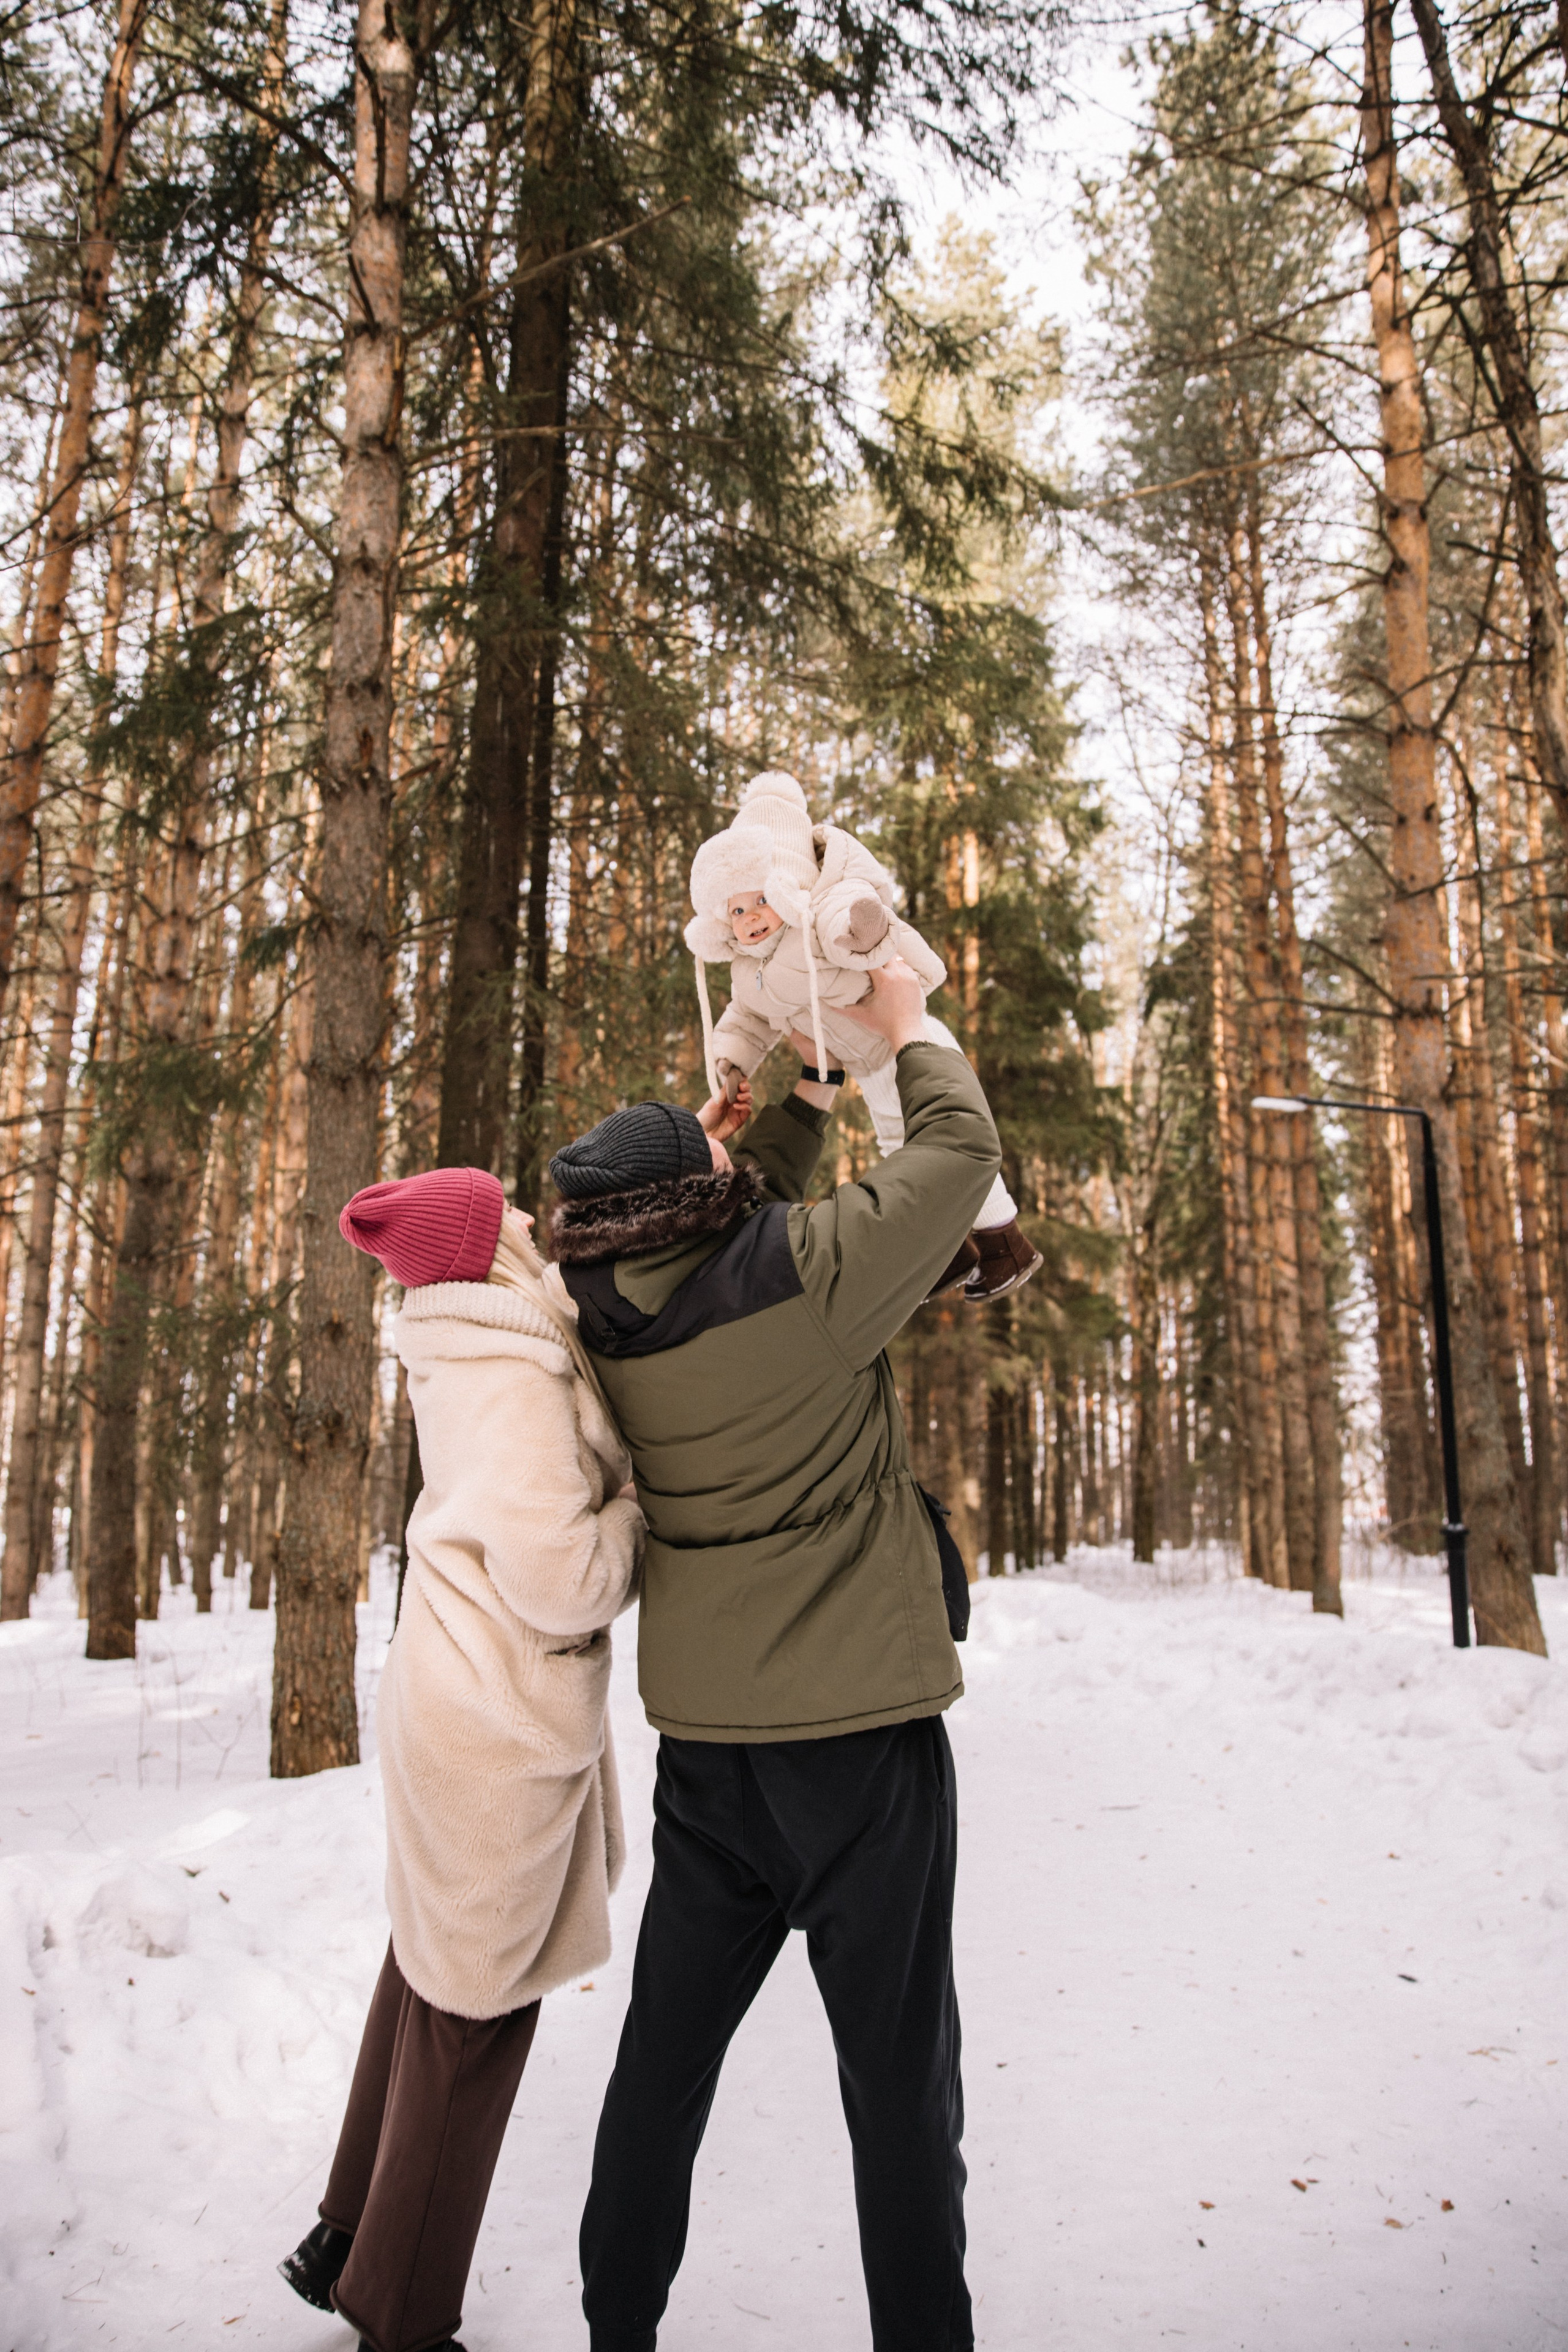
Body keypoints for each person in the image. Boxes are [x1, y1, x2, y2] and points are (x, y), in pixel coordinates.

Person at [547, 960, 1001, 2352]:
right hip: (859, 1752)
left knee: (659, 2070)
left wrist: (788, 1092)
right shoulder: (806, 1273)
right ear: (702, 1190)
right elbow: (958, 1153)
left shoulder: (593, 1312)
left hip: (709, 1761)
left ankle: (615, 2325)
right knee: (897, 2088)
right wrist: (901, 1022)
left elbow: (715, 1205)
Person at [277, 1166, 645, 2352]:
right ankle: (401, 2314)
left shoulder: (466, 1338)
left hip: (448, 1692)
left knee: (427, 1969)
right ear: (487, 1251)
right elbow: (565, 1577)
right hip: (493, 1717)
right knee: (473, 2019)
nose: (537, 1224)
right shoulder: (511, 1377)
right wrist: (639, 1506)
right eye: (514, 1218)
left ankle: (347, 2230)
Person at [683, 767, 1040, 1300]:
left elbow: (842, 921)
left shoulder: (815, 915)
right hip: (876, 1062)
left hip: (910, 1039)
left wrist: (863, 927)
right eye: (737, 909)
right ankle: (946, 1252)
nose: (751, 917)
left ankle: (1004, 1243)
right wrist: (731, 1062)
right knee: (905, 1152)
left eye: (762, 899)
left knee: (944, 1146)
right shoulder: (745, 970)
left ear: (790, 885)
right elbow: (748, 1018)